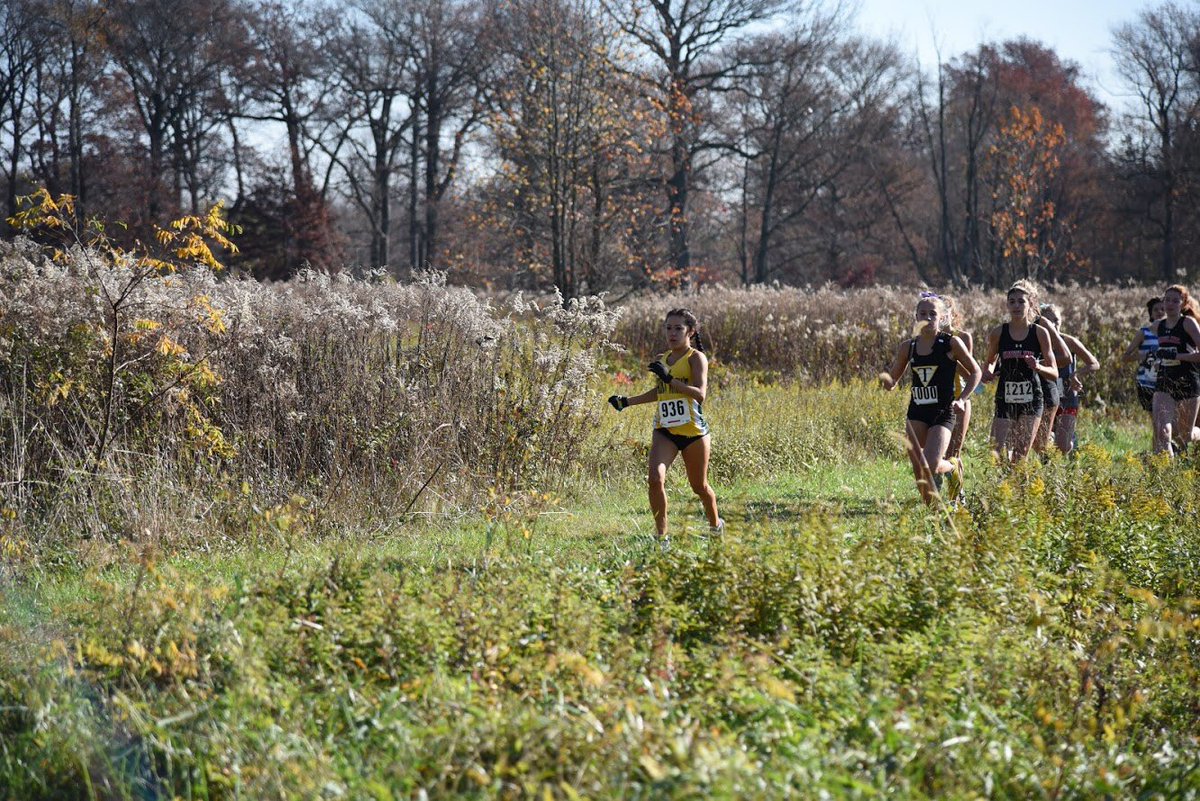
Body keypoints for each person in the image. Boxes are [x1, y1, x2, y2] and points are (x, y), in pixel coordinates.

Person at [607, 308, 723, 548]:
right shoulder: (663, 358)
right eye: (668, 328)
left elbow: (700, 394)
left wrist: (670, 378)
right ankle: (662, 539)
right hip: (665, 430)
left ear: (691, 332)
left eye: (678, 328)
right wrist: (627, 402)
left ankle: (715, 526)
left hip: (693, 433)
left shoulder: (696, 358)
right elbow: (661, 392)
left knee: (699, 487)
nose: (672, 333)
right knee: (654, 479)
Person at [881, 293, 981, 504]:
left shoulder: (951, 343)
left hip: (942, 412)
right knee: (920, 471)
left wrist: (962, 399)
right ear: (916, 317)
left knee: (930, 465)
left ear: (942, 317)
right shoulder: (908, 347)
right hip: (917, 412)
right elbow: (893, 380)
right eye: (923, 314)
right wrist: (887, 382)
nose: (927, 318)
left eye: (933, 314)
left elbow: (975, 372)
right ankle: (934, 514)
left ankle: (952, 467)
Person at [981, 280, 1058, 463]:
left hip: (1032, 399)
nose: (1016, 305)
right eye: (1012, 302)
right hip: (1005, 398)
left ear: (1030, 304)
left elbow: (1054, 371)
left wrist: (1038, 366)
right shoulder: (998, 333)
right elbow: (990, 361)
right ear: (1007, 305)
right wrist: (988, 373)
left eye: (1021, 301)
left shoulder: (1039, 333)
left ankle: (1020, 481)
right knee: (996, 452)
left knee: (1019, 456)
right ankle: (1006, 480)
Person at [1038, 304, 1100, 457]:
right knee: (1042, 443)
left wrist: (1076, 374)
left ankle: (1071, 441)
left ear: (1061, 321)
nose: (1053, 325)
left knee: (1063, 446)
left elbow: (1094, 363)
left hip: (1067, 398)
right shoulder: (1037, 342)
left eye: (1056, 321)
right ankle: (1048, 466)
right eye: (1048, 321)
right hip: (1045, 398)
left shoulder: (1069, 342)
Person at [1150, 285, 1200, 457]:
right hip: (1165, 380)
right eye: (1167, 300)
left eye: (1175, 301)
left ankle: (1197, 433)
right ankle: (1166, 470)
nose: (1170, 304)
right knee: (1162, 430)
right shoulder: (1157, 326)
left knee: (1184, 436)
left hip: (1187, 381)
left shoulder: (1188, 323)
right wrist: (1157, 358)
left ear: (1183, 304)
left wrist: (1177, 355)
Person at [1032, 296, 1073, 456]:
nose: (1053, 324)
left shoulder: (1065, 339)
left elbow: (1068, 358)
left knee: (1047, 444)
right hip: (1029, 388)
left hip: (1056, 391)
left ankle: (1054, 454)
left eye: (1056, 320)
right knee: (1030, 440)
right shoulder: (1013, 328)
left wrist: (1039, 364)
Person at [940, 295, 975, 469]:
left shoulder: (962, 337)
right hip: (936, 400)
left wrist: (949, 358)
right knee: (936, 451)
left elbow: (970, 373)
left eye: (943, 312)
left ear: (952, 314)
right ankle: (935, 486)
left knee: (953, 453)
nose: (940, 316)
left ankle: (957, 486)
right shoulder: (927, 339)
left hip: (959, 398)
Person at [1122, 296, 1165, 417]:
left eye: (1163, 309)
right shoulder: (1144, 333)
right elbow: (1125, 357)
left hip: (1167, 381)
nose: (1160, 312)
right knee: (1156, 419)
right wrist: (1140, 356)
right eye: (1156, 310)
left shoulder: (1174, 333)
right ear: (1151, 314)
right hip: (1147, 382)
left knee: (1168, 419)